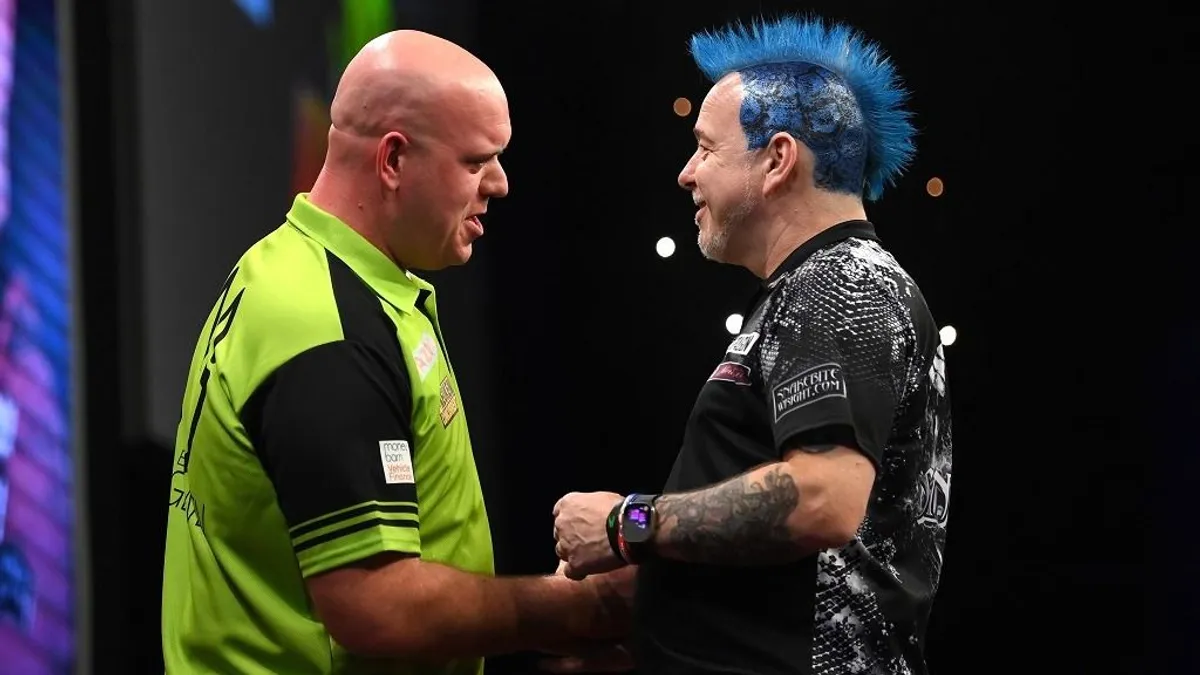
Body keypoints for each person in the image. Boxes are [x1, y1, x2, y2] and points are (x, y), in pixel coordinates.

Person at [161, 29, 631, 675]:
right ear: (393, 160)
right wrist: (576, 611)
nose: (500, 183)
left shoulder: (306, 270)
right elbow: (375, 607)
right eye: (476, 161)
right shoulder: (325, 326)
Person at [550, 14, 953, 675]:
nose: (686, 173)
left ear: (777, 160)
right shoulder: (815, 285)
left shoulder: (839, 282)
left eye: (706, 149)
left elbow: (822, 497)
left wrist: (628, 525)